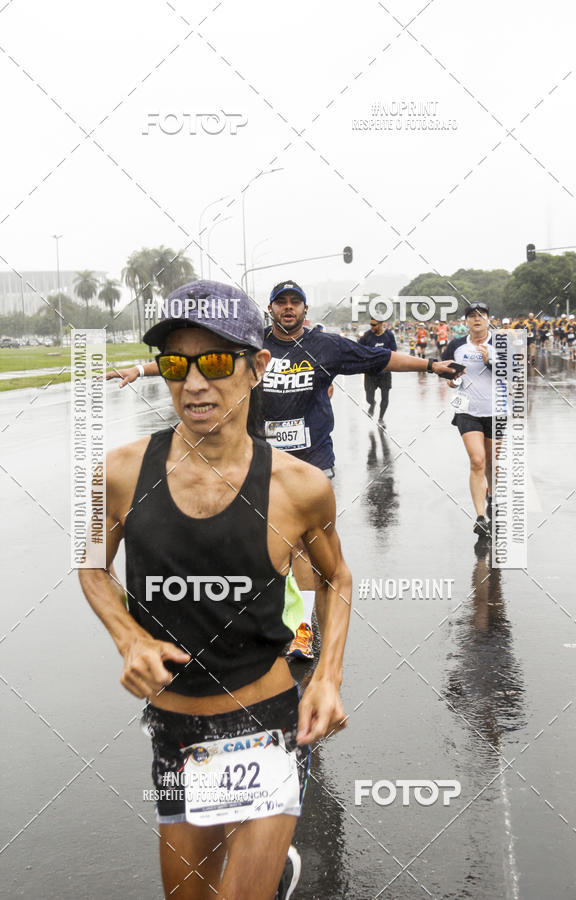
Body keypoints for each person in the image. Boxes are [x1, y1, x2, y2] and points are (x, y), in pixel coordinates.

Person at [82, 280, 351, 900]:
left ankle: (266, 870)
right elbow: (91, 565)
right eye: (177, 365)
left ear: (257, 367)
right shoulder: (118, 473)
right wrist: (129, 638)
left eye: (217, 363)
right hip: (174, 733)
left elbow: (337, 576)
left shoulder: (301, 487)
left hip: (266, 724)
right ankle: (275, 873)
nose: (195, 384)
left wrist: (329, 676)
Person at [110, 280, 457, 659]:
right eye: (281, 303)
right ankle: (257, 622)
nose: (288, 308)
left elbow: (379, 359)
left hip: (311, 462)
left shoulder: (326, 346)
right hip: (259, 461)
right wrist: (141, 371)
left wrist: (432, 365)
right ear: (271, 309)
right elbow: (197, 362)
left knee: (302, 551)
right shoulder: (253, 344)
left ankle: (303, 630)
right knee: (265, 550)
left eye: (295, 302)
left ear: (305, 310)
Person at [442, 301, 494, 538]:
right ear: (465, 322)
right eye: (471, 316)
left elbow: (517, 373)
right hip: (467, 410)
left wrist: (490, 362)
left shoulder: (501, 343)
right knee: (477, 459)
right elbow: (447, 375)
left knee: (492, 464)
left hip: (496, 410)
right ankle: (481, 516)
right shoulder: (455, 345)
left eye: (481, 315)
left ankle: (492, 495)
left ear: (488, 318)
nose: (476, 319)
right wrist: (452, 380)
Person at [359, 317, 398, 424]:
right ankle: (372, 404)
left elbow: (394, 351)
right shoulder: (367, 335)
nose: (372, 327)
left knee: (385, 395)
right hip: (370, 372)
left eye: (374, 325)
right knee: (368, 397)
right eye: (370, 324)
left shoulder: (389, 335)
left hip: (385, 372)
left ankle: (381, 418)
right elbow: (358, 349)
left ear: (381, 324)